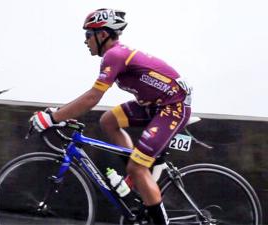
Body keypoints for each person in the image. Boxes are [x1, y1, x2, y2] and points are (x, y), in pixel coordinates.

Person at [30, 8, 192, 225]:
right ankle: (133, 178)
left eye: (88, 35)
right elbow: (89, 96)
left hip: (173, 106)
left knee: (137, 166)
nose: (85, 41)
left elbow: (92, 97)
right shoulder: (114, 55)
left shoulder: (114, 55)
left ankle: (142, 185)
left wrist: (53, 118)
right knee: (109, 120)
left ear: (103, 34)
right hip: (153, 105)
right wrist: (58, 113)